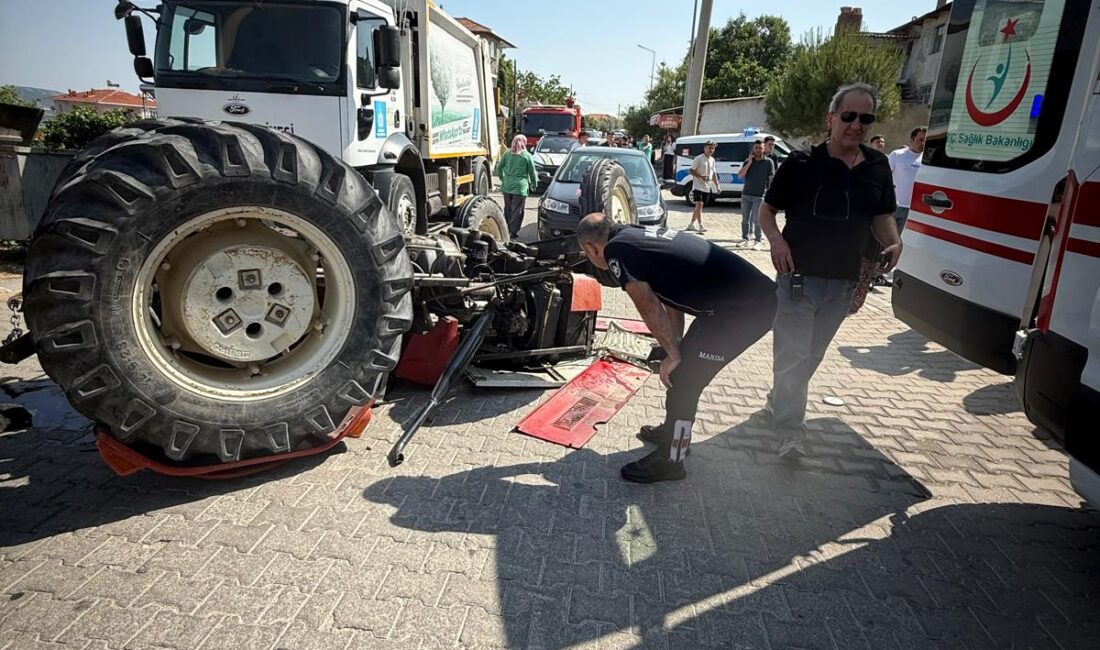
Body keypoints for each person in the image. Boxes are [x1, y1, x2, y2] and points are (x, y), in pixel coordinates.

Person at [756, 82, 901, 460]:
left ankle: (779, 400)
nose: (856, 125)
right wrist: (777, 242)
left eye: (865, 118)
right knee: (792, 357)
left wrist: (894, 241)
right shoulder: (802, 163)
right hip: (798, 279)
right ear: (831, 118)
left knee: (813, 355)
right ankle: (790, 432)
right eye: (848, 116)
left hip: (843, 283)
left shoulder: (877, 166)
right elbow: (766, 211)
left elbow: (882, 215)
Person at [576, 213, 777, 482]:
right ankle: (674, 430)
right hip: (730, 308)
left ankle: (672, 460)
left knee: (684, 379)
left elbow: (649, 307)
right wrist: (676, 347)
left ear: (590, 249)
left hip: (746, 311)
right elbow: (669, 294)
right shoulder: (632, 235)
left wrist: (672, 354)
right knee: (681, 369)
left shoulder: (616, 252)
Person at [494, 134, 538, 238]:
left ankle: (505, 230)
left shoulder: (507, 154)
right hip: (520, 188)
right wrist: (534, 184)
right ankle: (512, 232)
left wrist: (502, 178)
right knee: (517, 211)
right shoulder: (527, 156)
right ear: (524, 143)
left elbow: (499, 167)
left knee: (508, 209)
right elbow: (532, 172)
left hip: (507, 186)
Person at [737, 140, 775, 250]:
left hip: (759, 195)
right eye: (756, 148)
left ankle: (757, 241)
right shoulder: (748, 161)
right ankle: (745, 238)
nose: (758, 150)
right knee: (745, 218)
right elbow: (740, 175)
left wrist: (770, 193)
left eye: (760, 148)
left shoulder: (768, 162)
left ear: (764, 149)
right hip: (746, 194)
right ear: (753, 149)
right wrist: (749, 163)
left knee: (756, 219)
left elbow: (771, 178)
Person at [687, 140, 720, 233]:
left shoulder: (712, 160)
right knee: (699, 205)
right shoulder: (698, 158)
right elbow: (691, 171)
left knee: (699, 207)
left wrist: (717, 185)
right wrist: (701, 177)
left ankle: (691, 224)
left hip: (707, 186)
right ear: (705, 148)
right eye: (709, 147)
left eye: (713, 148)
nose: (711, 150)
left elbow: (714, 174)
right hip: (698, 186)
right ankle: (701, 225)